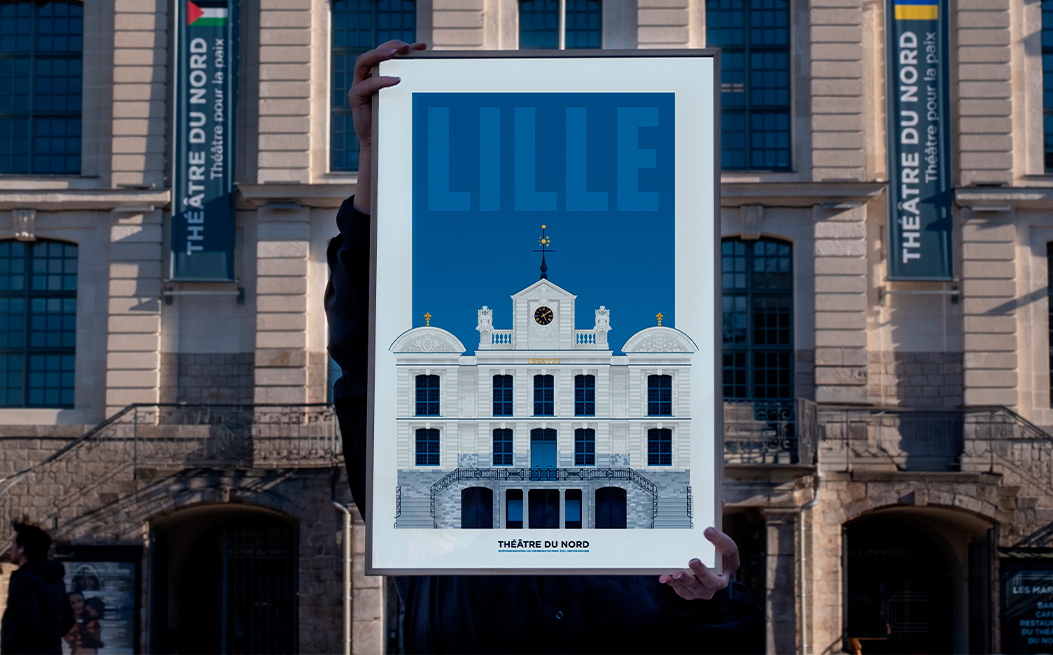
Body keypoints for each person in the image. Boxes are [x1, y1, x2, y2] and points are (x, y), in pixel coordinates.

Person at [325, 41, 763, 654]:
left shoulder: (652, 545)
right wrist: (379, 155)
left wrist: (712, 596)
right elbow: (359, 343)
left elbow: (717, 634)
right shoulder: (426, 520)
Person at [0, 522, 75, 655]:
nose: (10, 548)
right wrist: (47, 639)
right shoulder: (55, 578)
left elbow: (26, 623)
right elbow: (68, 619)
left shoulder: (25, 579)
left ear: (21, 549)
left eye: (13, 544)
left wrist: (7, 647)